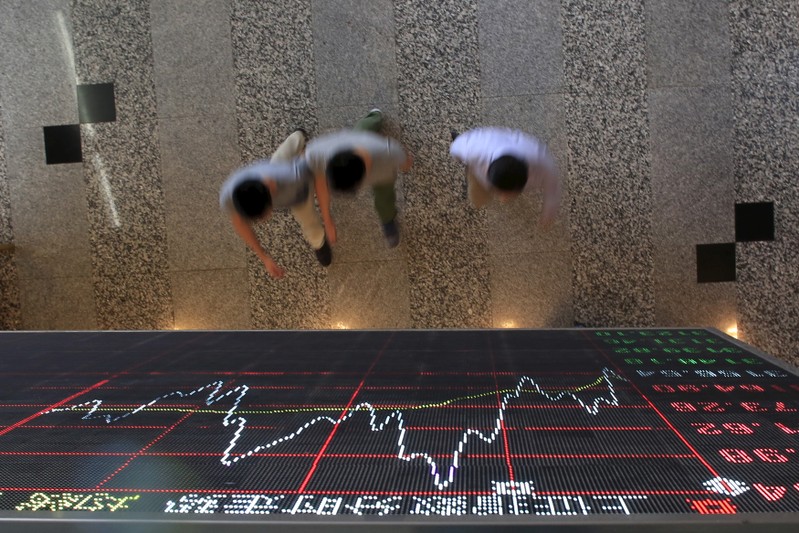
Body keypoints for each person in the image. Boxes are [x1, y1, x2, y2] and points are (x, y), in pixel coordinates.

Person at [219, 129, 335, 279]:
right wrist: (264, 257)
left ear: (272, 190)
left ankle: (319, 242)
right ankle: (298, 136)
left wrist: (327, 219)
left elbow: (319, 177)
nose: (264, 219)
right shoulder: (229, 195)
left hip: (298, 194)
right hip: (277, 170)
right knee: (284, 153)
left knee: (312, 227)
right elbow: (239, 222)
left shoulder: (293, 177)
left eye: (264, 214)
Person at [303, 109, 412, 247]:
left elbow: (405, 163)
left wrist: (405, 163)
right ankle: (374, 118)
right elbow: (320, 181)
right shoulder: (316, 153)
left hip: (383, 175)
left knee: (385, 195)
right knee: (360, 131)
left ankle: (388, 218)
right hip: (358, 142)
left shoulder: (388, 153)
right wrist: (327, 219)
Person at [449, 127, 560, 227]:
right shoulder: (471, 148)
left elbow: (552, 186)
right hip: (478, 160)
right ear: (486, 170)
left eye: (514, 192)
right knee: (478, 198)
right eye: (501, 191)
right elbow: (455, 149)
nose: (504, 195)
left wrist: (549, 213)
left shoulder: (540, 158)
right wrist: (460, 160)